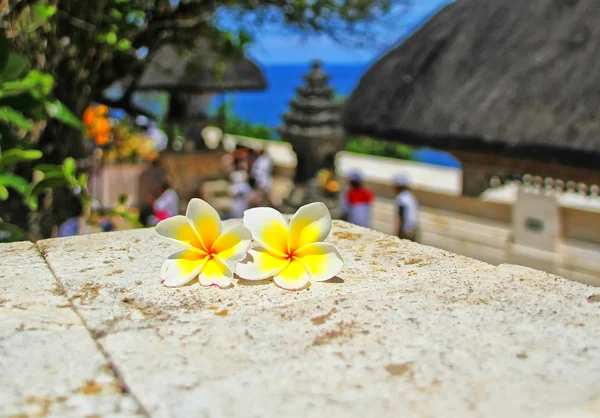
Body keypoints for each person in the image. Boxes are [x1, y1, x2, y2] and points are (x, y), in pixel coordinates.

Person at [393, 174, 419, 241]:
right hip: (414, 228)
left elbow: (402, 216)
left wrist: (399, 232)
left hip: (405, 230)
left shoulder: (401, 198)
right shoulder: (410, 196)